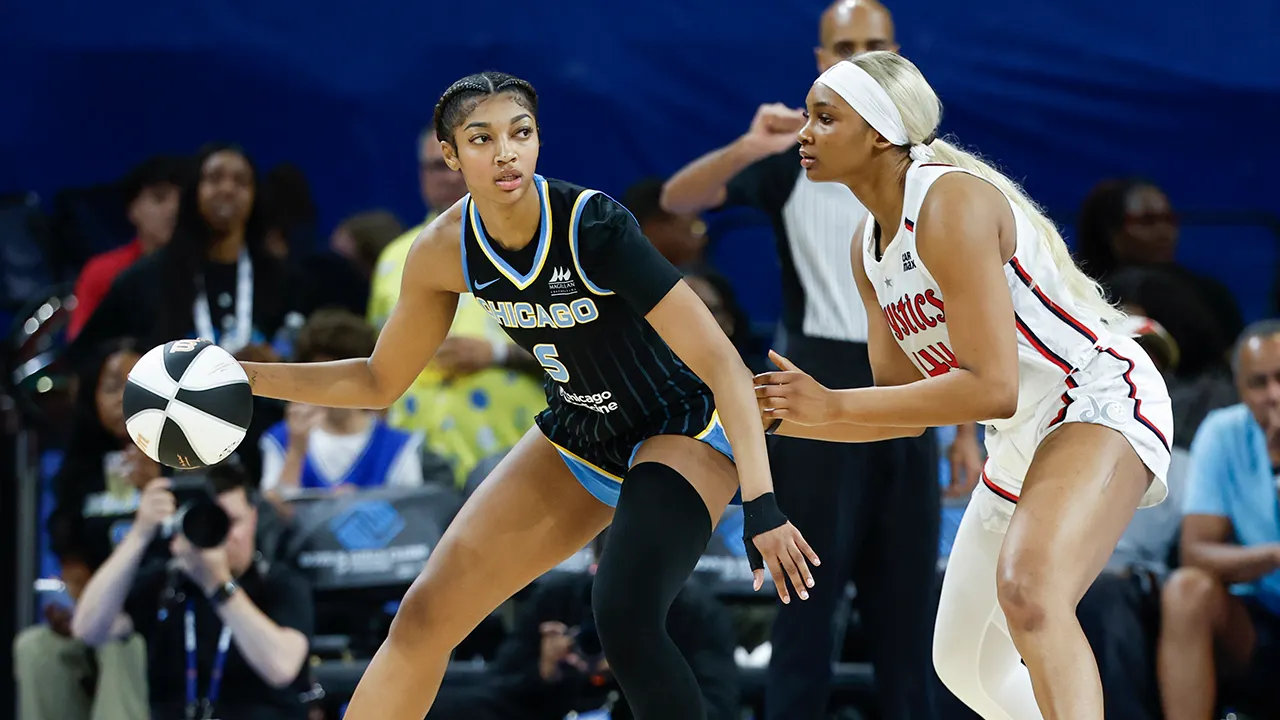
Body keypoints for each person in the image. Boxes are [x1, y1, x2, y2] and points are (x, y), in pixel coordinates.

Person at [237, 70, 815, 720]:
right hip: (578, 432)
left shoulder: (593, 225)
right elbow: (379, 382)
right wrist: (248, 379)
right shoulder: (440, 251)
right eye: (481, 139)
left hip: (679, 424)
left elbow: (721, 362)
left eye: (521, 133)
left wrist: (763, 504)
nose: (506, 152)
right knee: (424, 617)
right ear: (451, 156)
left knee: (622, 611)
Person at [752, 52, 1172, 720]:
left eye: (824, 118)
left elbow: (991, 387)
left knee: (1032, 596)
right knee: (964, 665)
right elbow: (901, 409)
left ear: (881, 132)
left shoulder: (949, 202)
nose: (804, 132)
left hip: (1096, 395)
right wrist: (784, 419)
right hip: (1023, 435)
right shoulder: (869, 246)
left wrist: (832, 402)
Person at [662, 3, 964, 717]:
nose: (859, 58)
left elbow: (957, 304)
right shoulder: (797, 155)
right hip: (815, 388)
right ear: (820, 57)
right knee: (807, 602)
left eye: (873, 46)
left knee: (908, 610)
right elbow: (678, 200)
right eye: (845, 47)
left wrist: (964, 431)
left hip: (917, 391)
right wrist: (748, 146)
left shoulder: (937, 170)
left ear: (898, 54)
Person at [70, 463, 315, 720]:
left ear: (253, 518)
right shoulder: (167, 583)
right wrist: (140, 533)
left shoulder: (280, 582)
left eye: (231, 522)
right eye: (210, 523)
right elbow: (88, 629)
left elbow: (281, 668)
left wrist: (218, 586)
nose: (223, 536)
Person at [1157, 321, 1280, 719]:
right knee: (1186, 590)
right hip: (1256, 617)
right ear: (1240, 389)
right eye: (1259, 383)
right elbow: (1196, 552)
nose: (1274, 395)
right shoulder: (1223, 432)